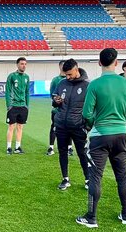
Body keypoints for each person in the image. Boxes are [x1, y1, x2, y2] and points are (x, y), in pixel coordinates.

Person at [76, 48, 126, 228]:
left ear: (99, 62)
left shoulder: (94, 84)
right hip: (121, 135)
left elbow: (86, 112)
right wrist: (119, 123)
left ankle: (91, 217)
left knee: (96, 176)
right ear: (116, 63)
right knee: (122, 176)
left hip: (100, 136)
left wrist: (98, 123)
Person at [52, 59, 90, 191]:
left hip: (78, 126)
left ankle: (87, 179)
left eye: (69, 74)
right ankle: (65, 178)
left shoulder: (87, 85)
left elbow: (91, 107)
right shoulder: (62, 83)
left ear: (76, 69)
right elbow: (55, 101)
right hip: (62, 124)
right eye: (65, 74)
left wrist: (87, 125)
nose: (67, 77)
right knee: (62, 152)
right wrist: (56, 101)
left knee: (82, 153)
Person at [47, 61, 74, 156]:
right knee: (54, 127)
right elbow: (52, 94)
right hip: (57, 110)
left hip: (68, 110)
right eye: (62, 66)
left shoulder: (71, 79)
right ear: (59, 67)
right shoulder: (56, 80)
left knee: (69, 127)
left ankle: (69, 147)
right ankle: (51, 147)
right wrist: (57, 100)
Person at [5, 57, 30, 154]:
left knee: (20, 127)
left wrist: (27, 105)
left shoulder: (26, 77)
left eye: (25, 64)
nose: (24, 66)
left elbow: (27, 92)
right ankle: (8, 147)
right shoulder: (12, 76)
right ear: (17, 65)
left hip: (23, 106)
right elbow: (7, 91)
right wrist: (8, 105)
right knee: (11, 126)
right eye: (22, 64)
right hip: (13, 106)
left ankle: (18, 147)